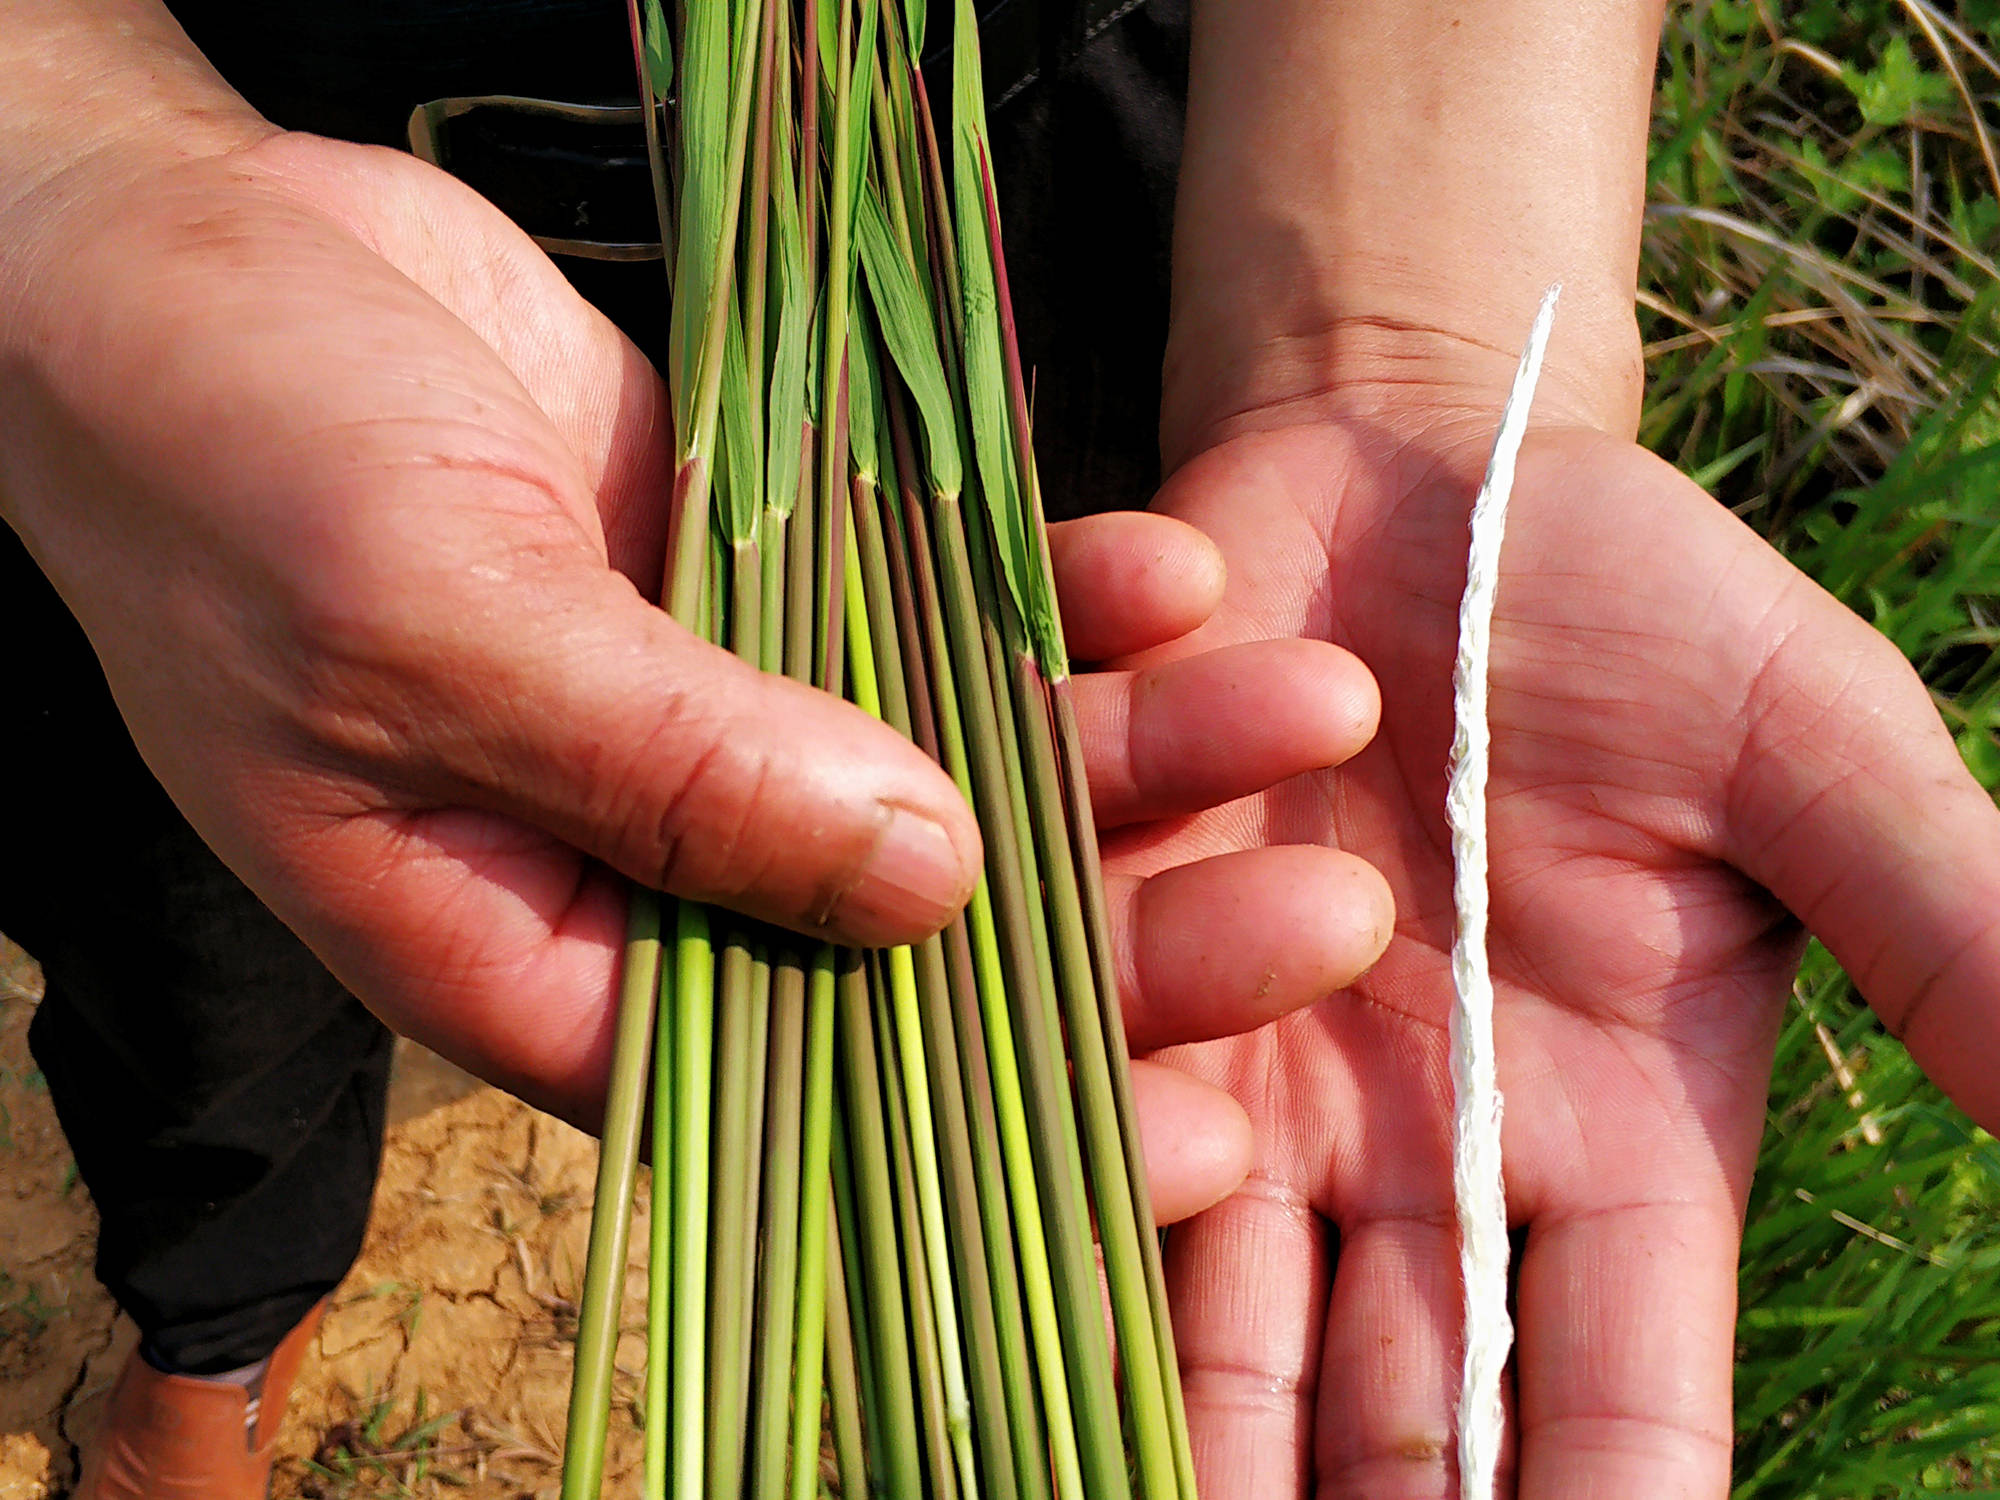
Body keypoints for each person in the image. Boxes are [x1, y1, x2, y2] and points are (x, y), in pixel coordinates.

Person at [3, 4, 1996, 1500]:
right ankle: (217, 1331)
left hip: (1116, 198)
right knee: (198, 959)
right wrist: (66, 180)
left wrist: (1398, 355)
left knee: (1098, 766)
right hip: (182, 272)